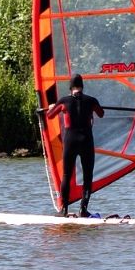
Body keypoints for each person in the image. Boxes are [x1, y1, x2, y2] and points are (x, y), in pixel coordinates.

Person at [45, 73, 104, 216]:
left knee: (66, 174)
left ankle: (64, 210)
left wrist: (52, 106)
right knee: (88, 176)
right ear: (82, 87)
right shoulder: (91, 100)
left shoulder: (64, 101)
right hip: (86, 141)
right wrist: (93, 107)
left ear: (71, 88)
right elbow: (101, 113)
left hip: (70, 141)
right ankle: (83, 209)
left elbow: (50, 115)